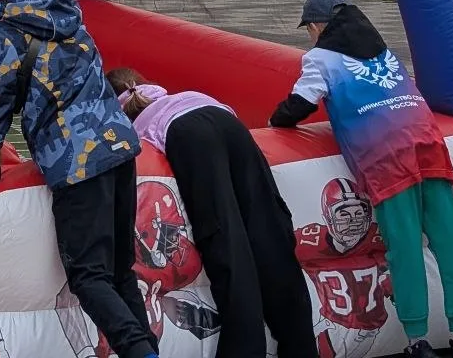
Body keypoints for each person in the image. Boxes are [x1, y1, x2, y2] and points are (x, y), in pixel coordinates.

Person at [270, 0, 453, 358]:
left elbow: (300, 105)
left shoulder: (321, 58)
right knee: (449, 240)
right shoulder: (384, 52)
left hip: (386, 157)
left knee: (405, 248)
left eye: (309, 30)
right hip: (428, 144)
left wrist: (275, 121)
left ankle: (417, 341)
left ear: (317, 27)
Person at [0, 0, 154, 358]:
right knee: (120, 271)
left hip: (75, 160)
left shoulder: (6, 32)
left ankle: (140, 352)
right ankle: (147, 349)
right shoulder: (70, 9)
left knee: (89, 276)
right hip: (119, 146)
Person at [107, 67, 316, 358]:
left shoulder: (136, 124)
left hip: (190, 136)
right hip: (227, 123)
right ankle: (301, 347)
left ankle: (244, 349)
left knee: (226, 242)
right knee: (270, 232)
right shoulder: (184, 95)